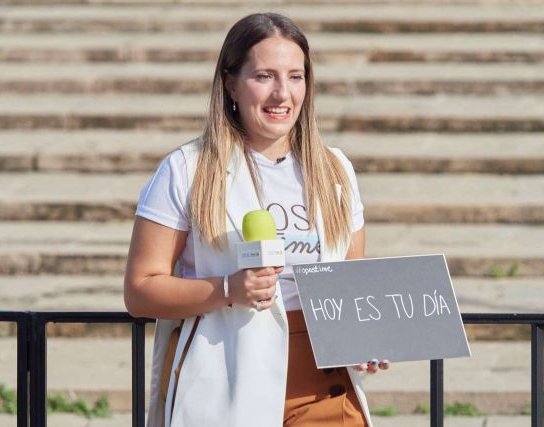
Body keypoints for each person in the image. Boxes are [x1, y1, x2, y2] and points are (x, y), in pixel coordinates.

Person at [124, 13, 389, 427]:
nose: (282, 93)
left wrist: (363, 340)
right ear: (230, 83)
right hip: (226, 378)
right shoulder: (186, 169)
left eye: (295, 76)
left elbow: (351, 288)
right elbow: (140, 290)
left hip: (325, 387)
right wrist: (229, 288)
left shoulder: (336, 169)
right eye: (264, 76)